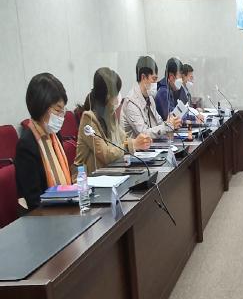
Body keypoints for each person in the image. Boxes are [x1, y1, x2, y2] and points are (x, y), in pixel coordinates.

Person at [74, 68, 152, 175]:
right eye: (117, 92)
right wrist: (133, 145)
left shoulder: (110, 114)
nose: (119, 96)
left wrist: (141, 142)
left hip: (111, 173)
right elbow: (106, 155)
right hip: (88, 179)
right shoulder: (88, 118)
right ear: (107, 96)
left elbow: (123, 139)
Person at [14, 73, 71, 211]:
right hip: (43, 216)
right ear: (41, 107)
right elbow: (34, 201)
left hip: (66, 208)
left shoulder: (54, 135)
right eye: (57, 110)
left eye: (63, 110)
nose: (61, 116)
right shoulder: (27, 145)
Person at [121, 56, 182, 139]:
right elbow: (143, 133)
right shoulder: (131, 102)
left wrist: (171, 121)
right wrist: (167, 126)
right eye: (154, 79)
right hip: (137, 147)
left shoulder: (150, 98)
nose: (155, 83)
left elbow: (159, 122)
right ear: (143, 77)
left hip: (152, 145)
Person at [155, 57, 199, 123]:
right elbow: (173, 117)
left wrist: (195, 117)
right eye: (180, 77)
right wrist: (192, 121)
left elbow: (180, 112)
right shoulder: (163, 92)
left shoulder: (171, 89)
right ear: (171, 77)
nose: (181, 80)